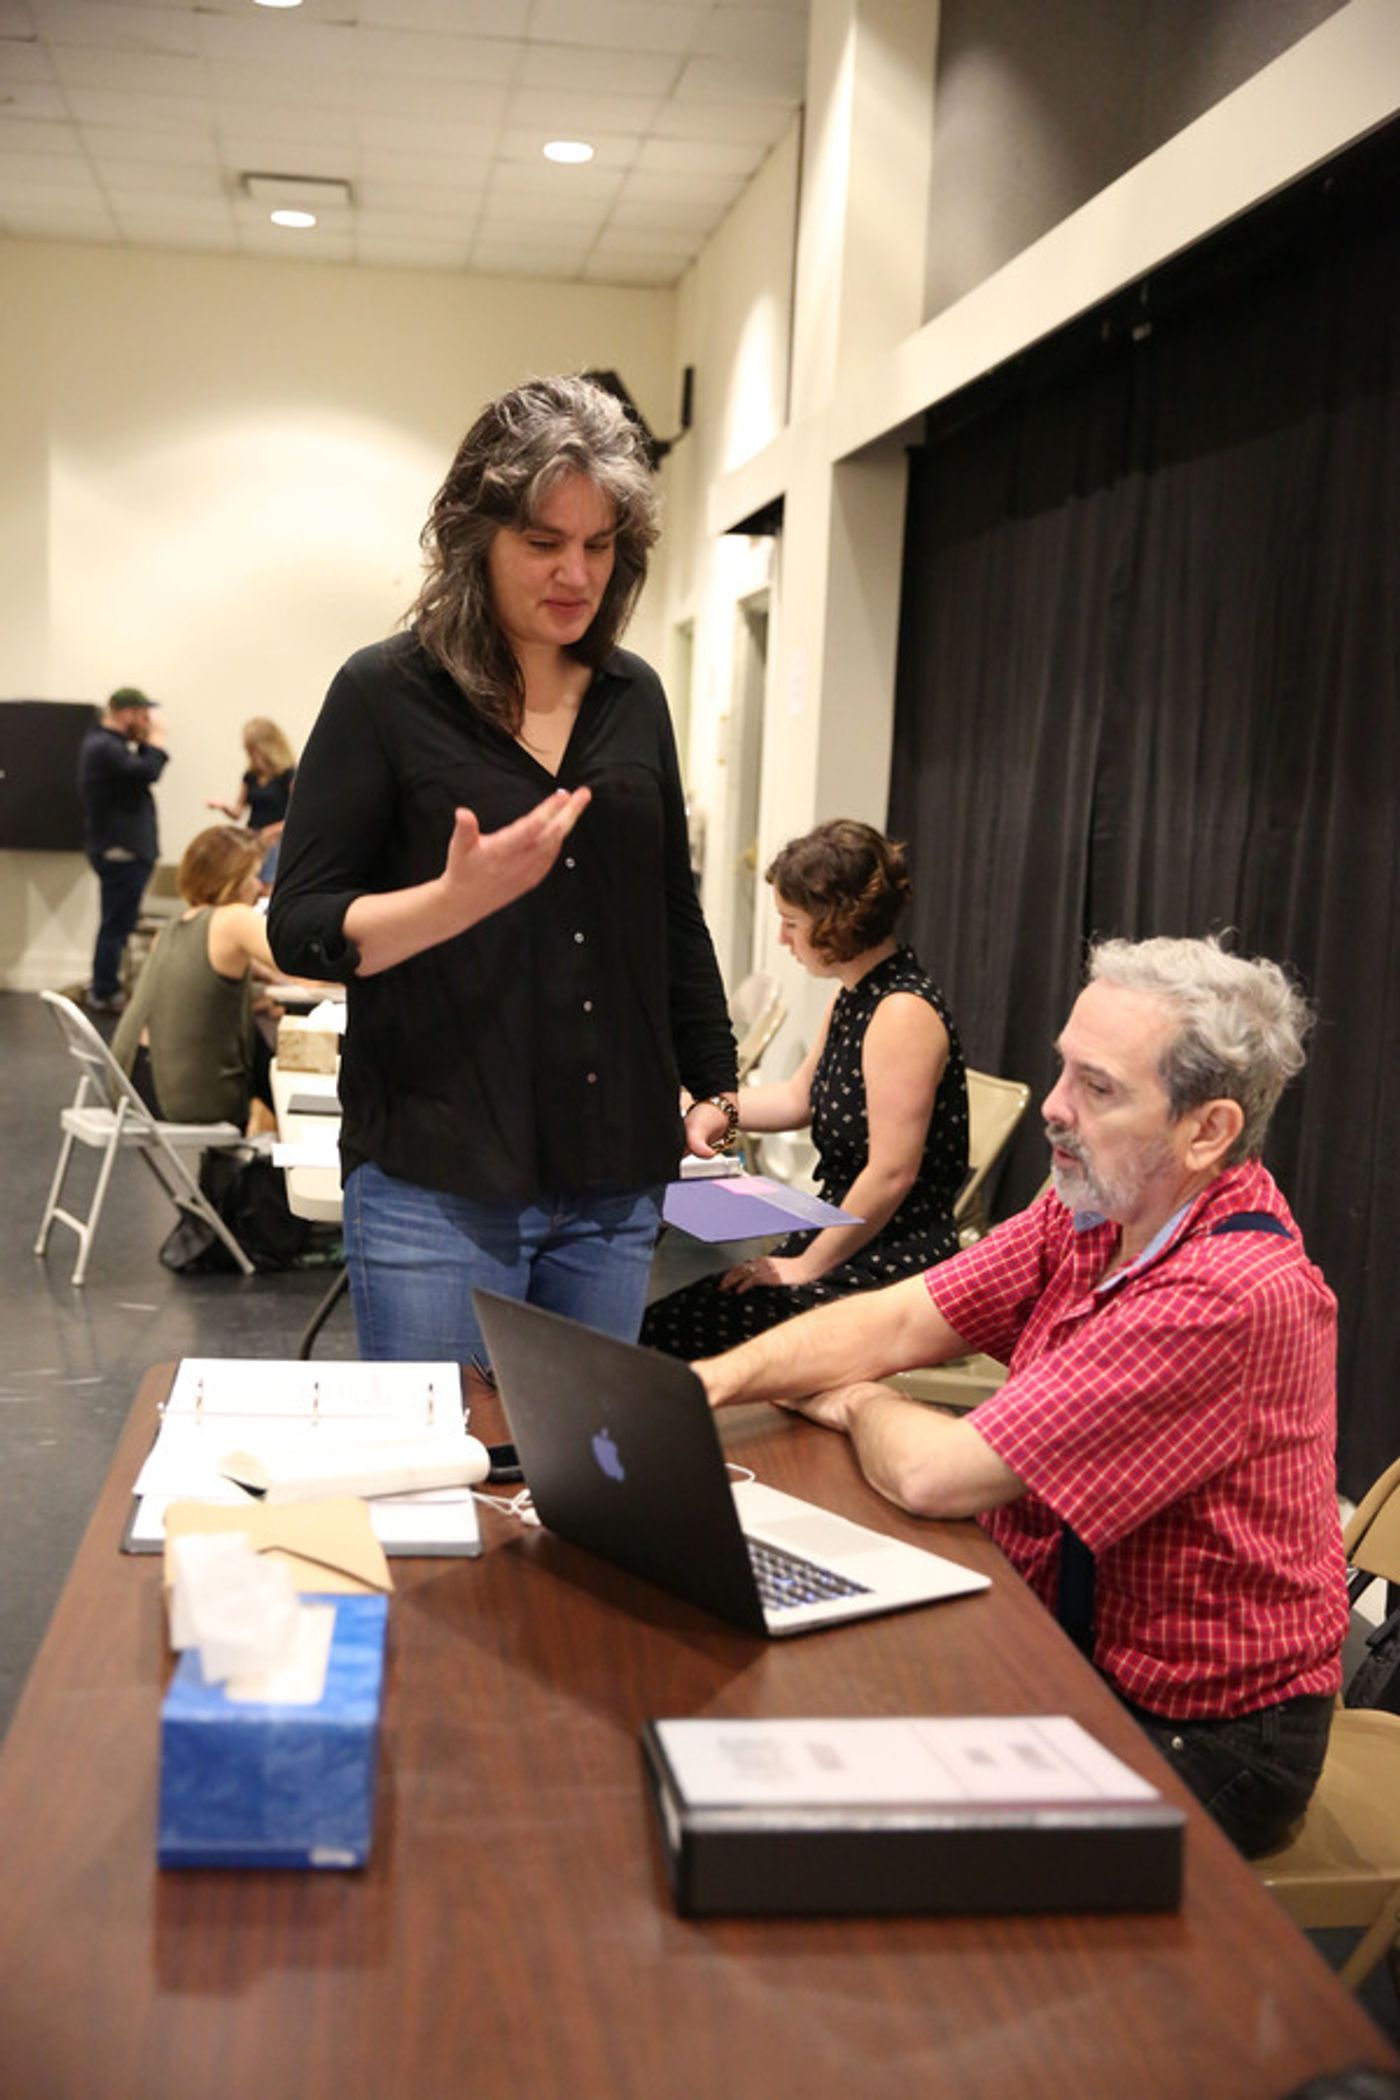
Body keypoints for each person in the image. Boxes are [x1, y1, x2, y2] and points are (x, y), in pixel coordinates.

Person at [697, 933, 1349, 1858]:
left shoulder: (1228, 1295)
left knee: (872, 1832)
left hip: (1210, 1736)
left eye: (1100, 1087)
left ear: (1208, 1132)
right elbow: (892, 1325)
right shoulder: (1097, 1203)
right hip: (1073, 1642)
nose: (1054, 1109)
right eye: (1064, 1072)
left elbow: (936, 1474)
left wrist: (851, 1403)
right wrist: (706, 1387)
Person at [268, 373, 737, 1367]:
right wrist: (447, 903)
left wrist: (713, 1082)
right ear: (474, 539)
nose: (575, 573)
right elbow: (298, 924)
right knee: (441, 1482)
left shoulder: (631, 697)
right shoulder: (382, 694)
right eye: (542, 543)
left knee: (567, 1492)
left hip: (613, 1176)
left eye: (599, 546)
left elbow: (666, 911)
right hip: (439, 1178)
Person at [642, 820, 968, 1357]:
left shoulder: (901, 1012)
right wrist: (706, 1106)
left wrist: (807, 1265)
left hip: (893, 1261)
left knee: (669, 1333)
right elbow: (799, 1098)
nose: (782, 939)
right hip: (850, 1237)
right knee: (671, 1318)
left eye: (791, 922)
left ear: (837, 922)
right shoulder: (859, 995)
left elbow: (892, 1173)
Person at [112, 824, 317, 1132]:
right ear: (231, 879)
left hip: (131, 1085)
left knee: (260, 1047)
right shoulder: (233, 919)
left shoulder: (172, 927)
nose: (259, 887)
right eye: (253, 876)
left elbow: (200, 992)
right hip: (180, 1099)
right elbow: (301, 962)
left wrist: (259, 979)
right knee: (267, 1059)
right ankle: (301, 1140)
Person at [77, 685, 169, 1014]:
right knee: (115, 924)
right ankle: (105, 991)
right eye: (142, 715)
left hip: (123, 849)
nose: (146, 721)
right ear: (125, 712)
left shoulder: (109, 746)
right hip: (121, 850)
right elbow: (148, 771)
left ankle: (106, 988)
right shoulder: (104, 746)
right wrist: (156, 740)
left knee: (117, 922)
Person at [206, 717, 297, 885]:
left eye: (253, 750)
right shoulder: (250, 776)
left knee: (267, 882)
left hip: (276, 839)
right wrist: (223, 806)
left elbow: (298, 814)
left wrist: (272, 831)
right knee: (247, 880)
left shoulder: (287, 774)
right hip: (253, 837)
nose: (251, 755)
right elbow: (238, 813)